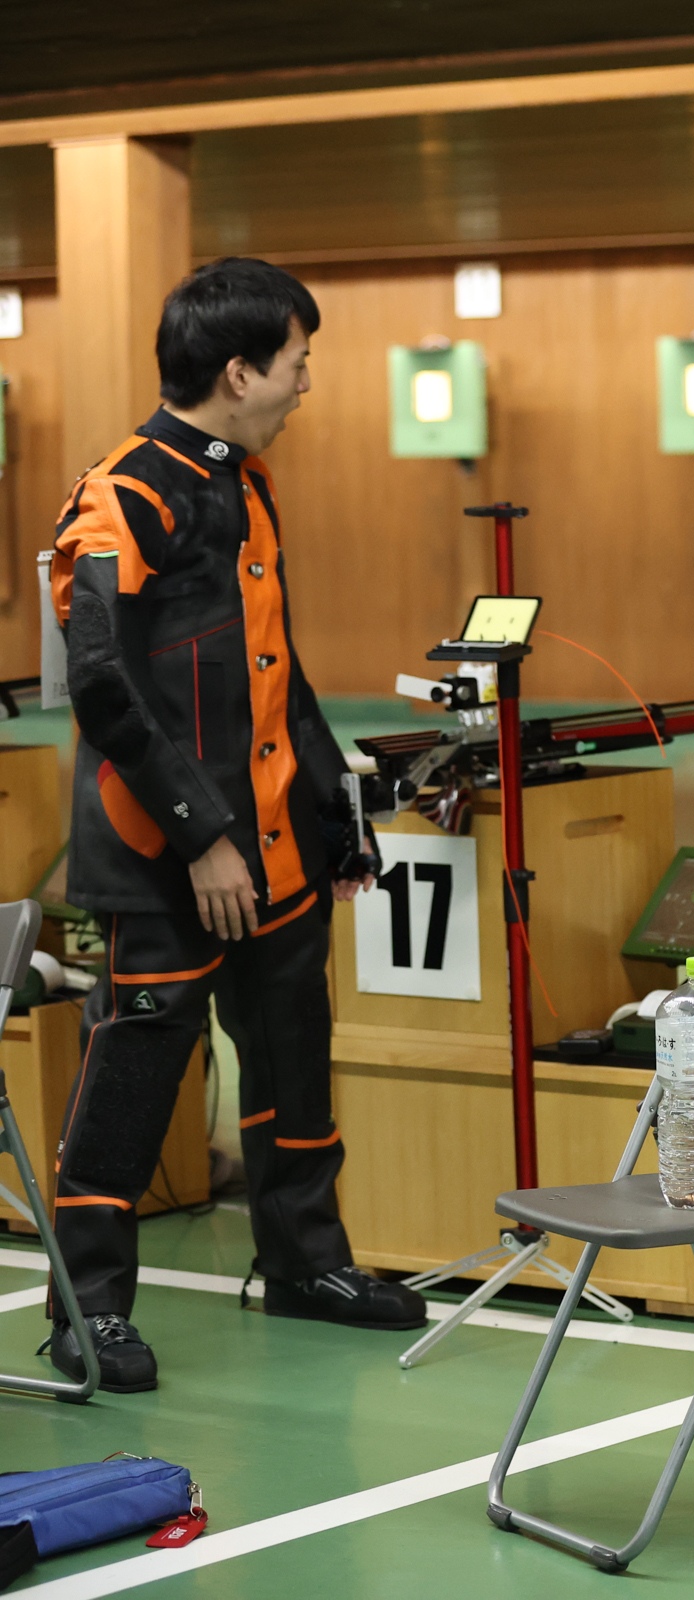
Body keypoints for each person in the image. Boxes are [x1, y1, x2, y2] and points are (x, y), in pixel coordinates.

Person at [41, 257, 424, 1394]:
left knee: (293, 1054)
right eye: (299, 361)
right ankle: (87, 1311)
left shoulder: (248, 483)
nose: (308, 382)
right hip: (168, 855)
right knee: (134, 1076)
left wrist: (335, 812)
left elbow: (272, 669)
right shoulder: (122, 494)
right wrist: (203, 835)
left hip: (276, 848)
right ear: (241, 371)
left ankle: (307, 1263)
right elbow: (104, 686)